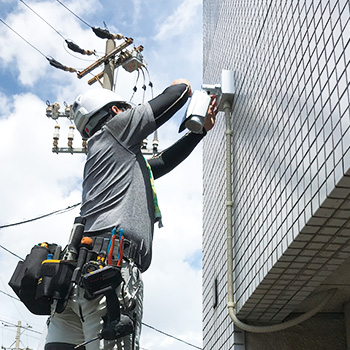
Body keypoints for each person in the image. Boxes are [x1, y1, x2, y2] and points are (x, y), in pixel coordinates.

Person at [44, 79, 218, 350]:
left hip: (73, 281)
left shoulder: (112, 152)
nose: (131, 112)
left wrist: (198, 133)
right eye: (127, 108)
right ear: (114, 111)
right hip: (106, 273)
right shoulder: (116, 128)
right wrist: (182, 86)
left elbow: (158, 164)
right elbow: (179, 93)